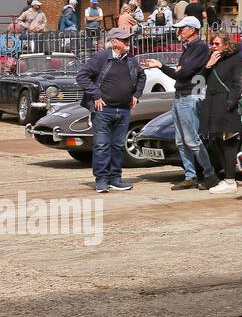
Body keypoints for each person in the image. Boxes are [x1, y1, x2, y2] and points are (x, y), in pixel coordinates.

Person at [140, 17, 217, 190]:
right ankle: (190, 176)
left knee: (192, 139)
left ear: (192, 29)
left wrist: (161, 66)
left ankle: (209, 174)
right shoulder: (189, 48)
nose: (179, 32)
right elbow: (180, 71)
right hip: (180, 96)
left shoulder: (199, 48)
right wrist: (177, 70)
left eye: (182, 28)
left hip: (189, 95)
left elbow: (182, 73)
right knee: (181, 140)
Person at [75, 28, 146, 193]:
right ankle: (101, 180)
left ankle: (115, 178)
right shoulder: (101, 57)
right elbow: (82, 76)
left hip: (123, 110)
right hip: (103, 110)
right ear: (114, 42)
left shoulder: (131, 59)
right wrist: (96, 95)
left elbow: (142, 76)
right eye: (124, 40)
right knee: (101, 145)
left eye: (128, 39)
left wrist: (136, 94)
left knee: (118, 145)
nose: (128, 42)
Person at [200, 31, 242, 194]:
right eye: (212, 43)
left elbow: (237, 84)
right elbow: (198, 80)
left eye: (217, 43)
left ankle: (230, 180)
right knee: (216, 141)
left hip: (225, 106)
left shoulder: (236, 59)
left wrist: (229, 104)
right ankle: (227, 176)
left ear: (226, 44)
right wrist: (208, 64)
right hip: (211, 105)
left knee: (228, 142)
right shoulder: (212, 58)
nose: (213, 46)